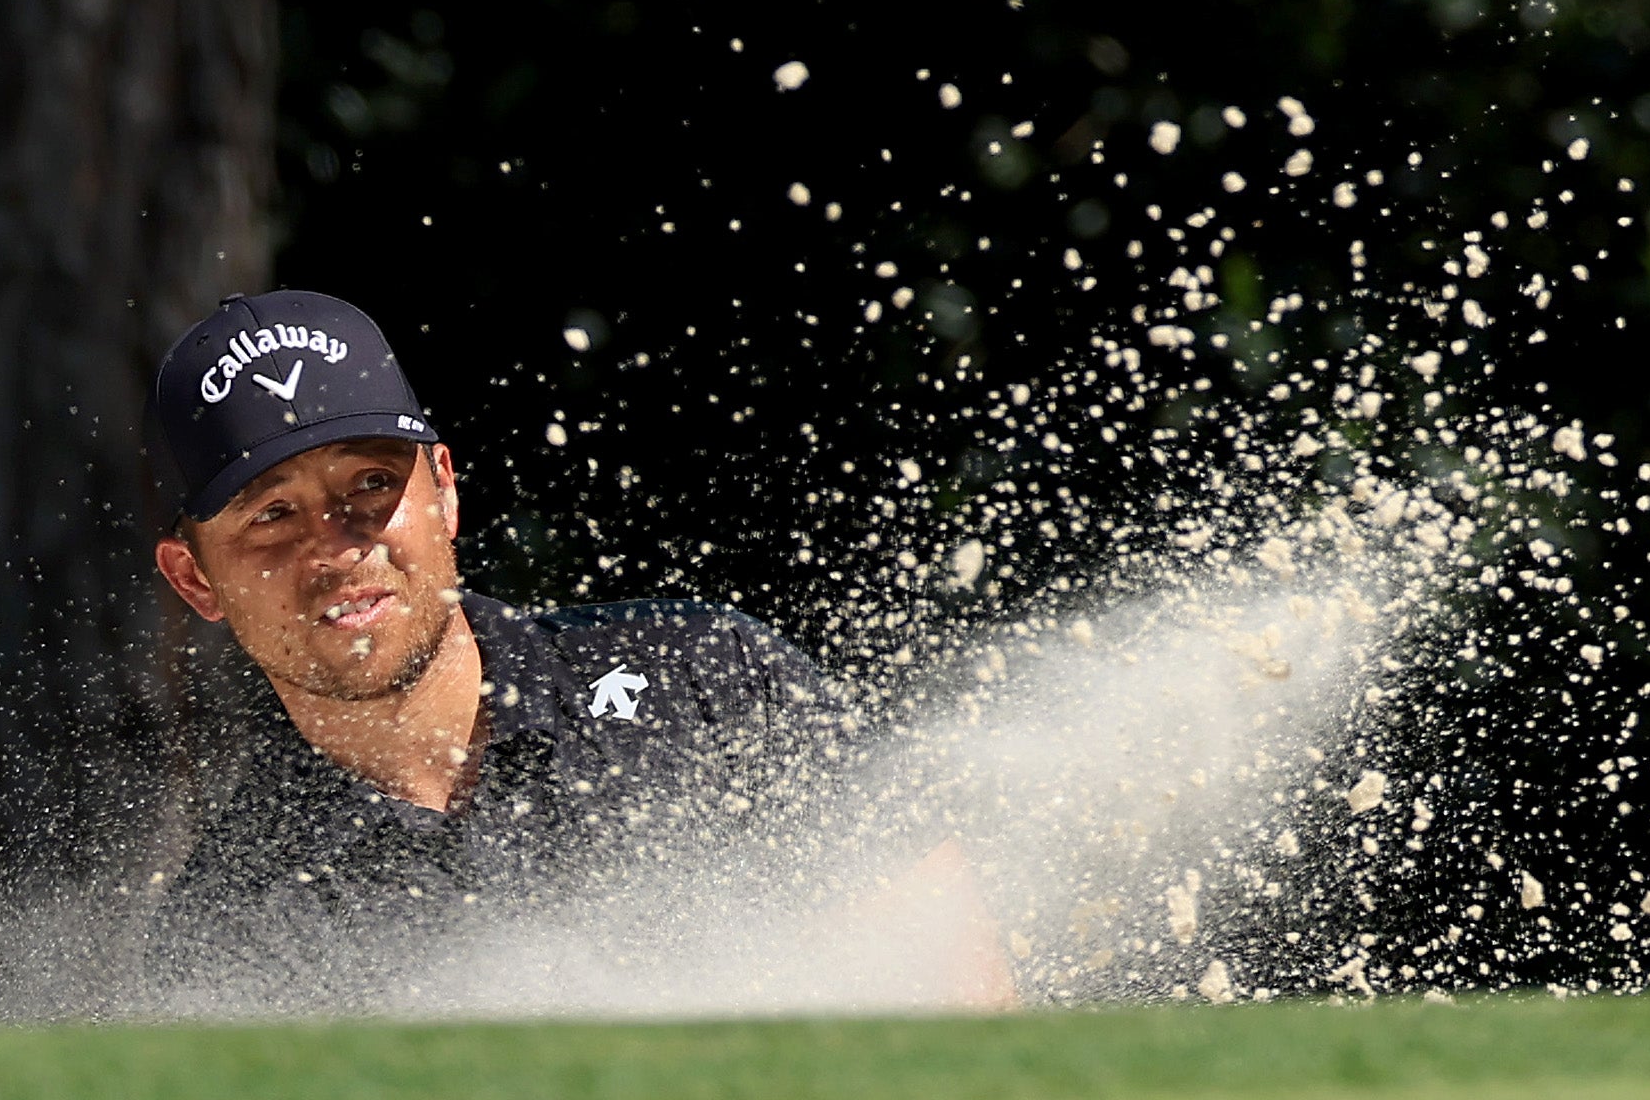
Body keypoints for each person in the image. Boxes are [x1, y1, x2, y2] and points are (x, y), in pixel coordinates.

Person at [140, 289, 1006, 1006]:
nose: (336, 547)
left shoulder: (710, 682)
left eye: (371, 484)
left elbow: (967, 1011)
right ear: (195, 580)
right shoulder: (232, 928)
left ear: (444, 491)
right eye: (272, 515)